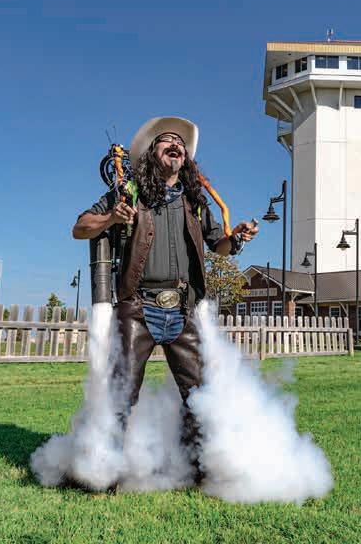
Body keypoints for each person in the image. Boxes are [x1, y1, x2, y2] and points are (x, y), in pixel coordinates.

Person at [72, 116, 259, 482]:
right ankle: (104, 471)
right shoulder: (129, 193)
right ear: (151, 153)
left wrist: (236, 237)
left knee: (200, 394)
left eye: (181, 144)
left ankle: (196, 467)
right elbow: (80, 227)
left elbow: (218, 245)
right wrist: (111, 218)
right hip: (138, 307)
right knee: (121, 392)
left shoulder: (195, 202)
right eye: (167, 140)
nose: (176, 145)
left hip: (184, 309)